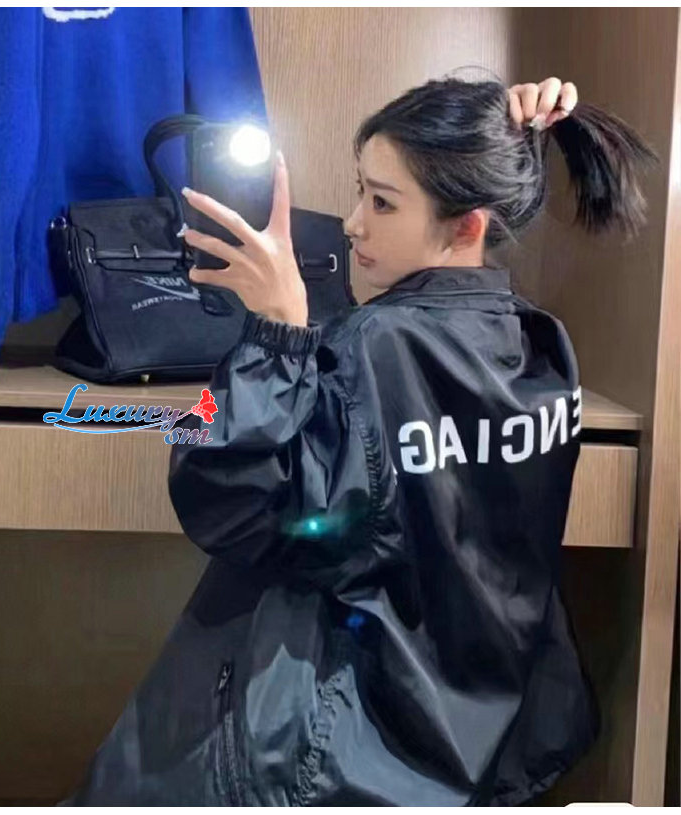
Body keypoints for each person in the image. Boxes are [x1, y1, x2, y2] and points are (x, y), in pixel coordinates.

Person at [61, 76, 658, 806]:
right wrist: (486, 131)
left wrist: (273, 336)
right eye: (359, 192)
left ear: (466, 225)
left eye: (382, 202)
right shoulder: (542, 346)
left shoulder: (369, 349)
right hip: (484, 737)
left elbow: (222, 500)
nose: (351, 224)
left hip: (347, 752)